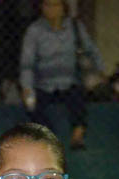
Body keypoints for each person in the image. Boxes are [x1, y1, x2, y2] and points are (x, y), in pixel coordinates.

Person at [19, 0, 101, 150]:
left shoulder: (75, 27)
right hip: (43, 84)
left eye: (56, 5)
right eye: (47, 5)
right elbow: (27, 63)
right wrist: (27, 87)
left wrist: (99, 71)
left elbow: (91, 50)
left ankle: (77, 135)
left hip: (70, 81)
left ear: (64, 8)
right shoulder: (34, 31)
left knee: (78, 98)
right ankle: (51, 136)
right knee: (31, 106)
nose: (51, 9)